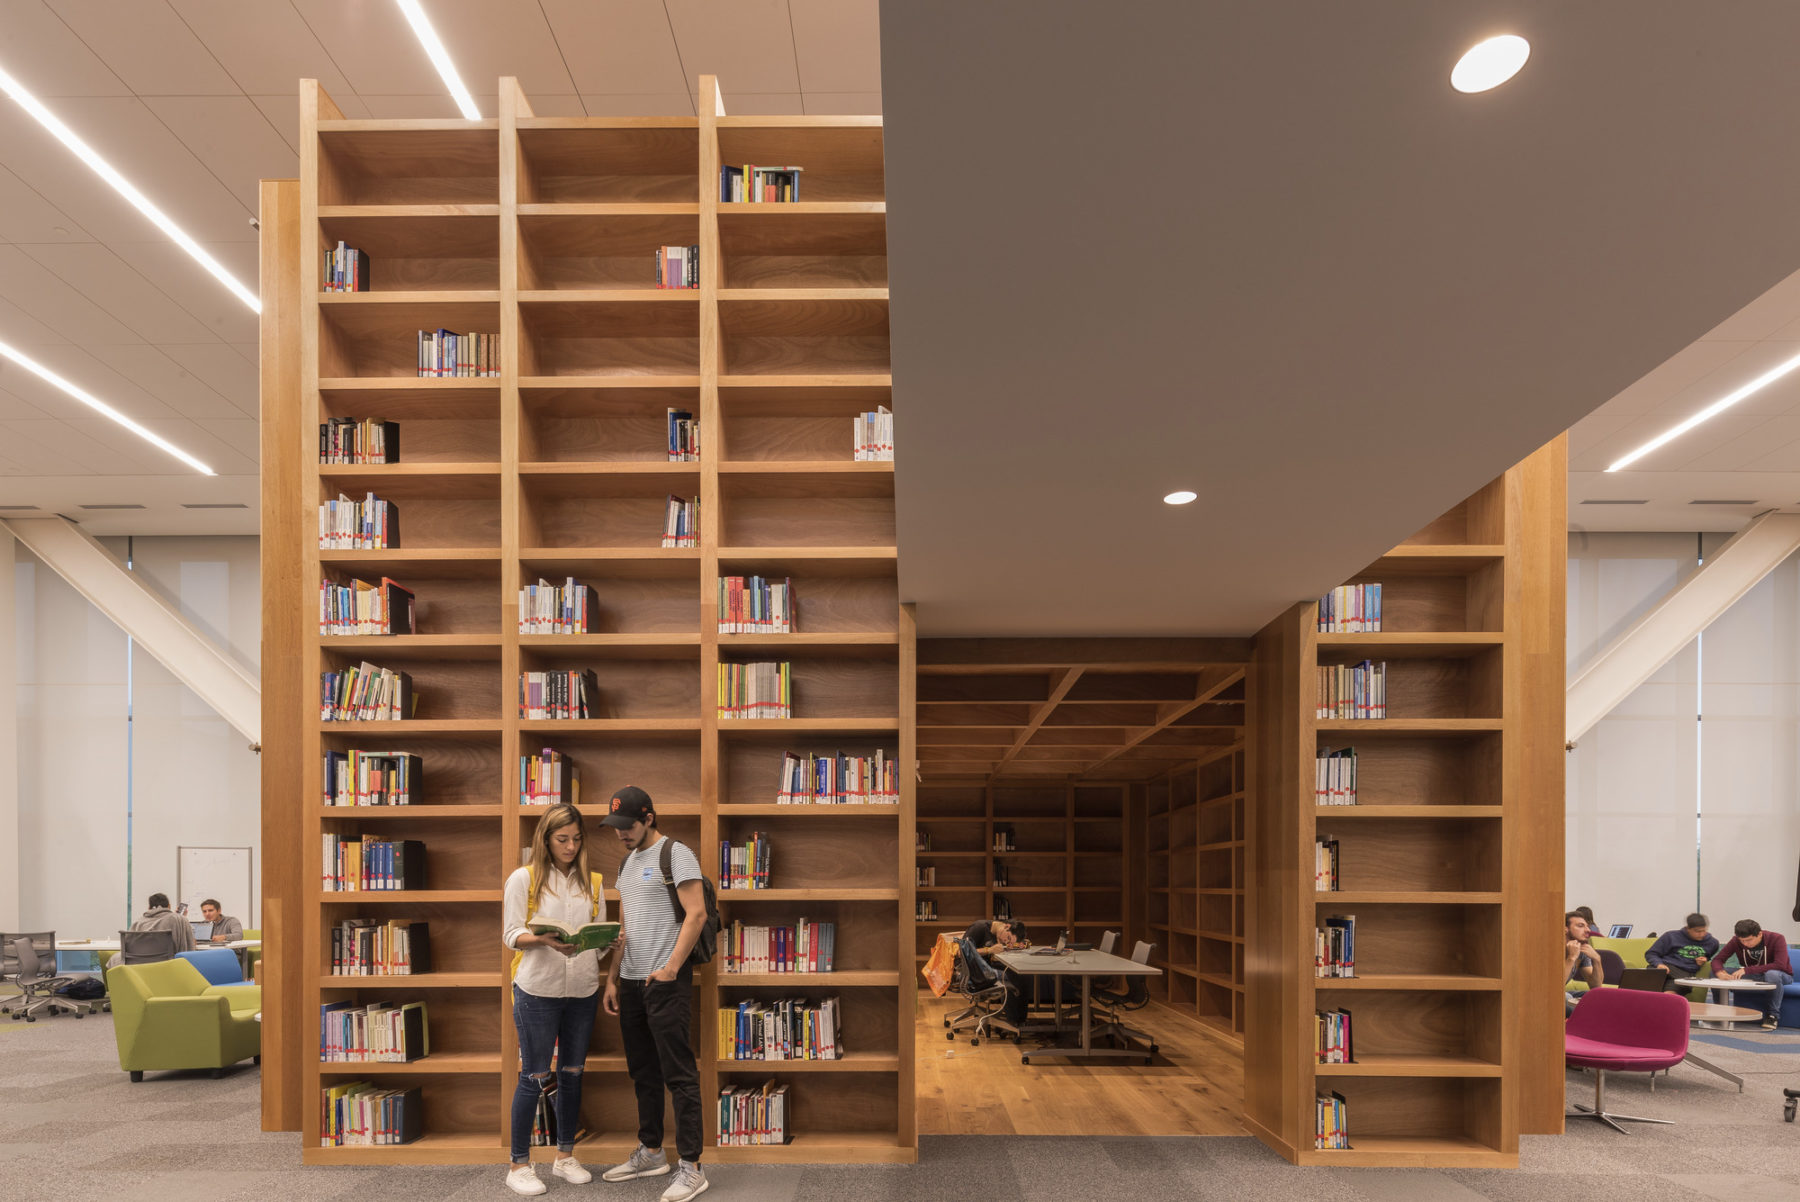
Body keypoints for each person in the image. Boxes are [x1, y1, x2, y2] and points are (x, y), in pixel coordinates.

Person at [599, 787, 709, 1202]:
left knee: (679, 1074)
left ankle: (692, 1167)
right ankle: (650, 1152)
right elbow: (624, 930)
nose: (620, 834)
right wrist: (611, 979)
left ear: (648, 818)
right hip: (630, 983)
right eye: (615, 828)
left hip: (665, 982)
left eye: (627, 826)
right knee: (642, 1072)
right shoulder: (626, 863)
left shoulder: (676, 854)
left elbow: (696, 913)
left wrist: (671, 969)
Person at [502, 803, 616, 1197]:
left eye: (576, 839)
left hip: (582, 989)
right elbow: (511, 934)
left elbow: (595, 947)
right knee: (534, 1075)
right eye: (562, 839)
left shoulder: (594, 882)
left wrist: (605, 941)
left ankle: (565, 1155)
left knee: (571, 1074)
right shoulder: (524, 879)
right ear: (546, 840)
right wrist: (543, 939)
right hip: (537, 990)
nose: (570, 846)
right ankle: (519, 1164)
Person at [1711, 919, 1793, 1031]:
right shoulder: (1736, 941)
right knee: (1714, 973)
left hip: (1781, 975)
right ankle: (1721, 1012)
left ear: (1759, 934)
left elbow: (1780, 965)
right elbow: (1717, 960)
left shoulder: (1777, 938)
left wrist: (1747, 970)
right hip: (1755, 974)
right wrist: (1720, 972)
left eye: (1749, 940)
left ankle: (1772, 1016)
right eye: (1742, 941)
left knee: (1772, 975)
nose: (1745, 944)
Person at [963, 917, 1031, 1023]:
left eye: (1009, 941)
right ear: (1006, 926)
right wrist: (989, 950)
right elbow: (960, 952)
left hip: (987, 967)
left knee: (1020, 974)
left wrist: (1015, 947)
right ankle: (1014, 1023)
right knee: (1010, 977)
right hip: (972, 970)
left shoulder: (999, 934)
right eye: (1007, 938)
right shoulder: (979, 928)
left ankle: (1021, 1020)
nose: (1005, 941)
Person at [1646, 913, 1719, 979]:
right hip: (1665, 967)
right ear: (1688, 929)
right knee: (1652, 976)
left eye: (1704, 930)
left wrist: (1704, 959)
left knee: (1672, 990)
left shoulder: (1712, 943)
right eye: (1697, 931)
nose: (1701, 934)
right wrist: (1659, 964)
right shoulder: (1670, 936)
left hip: (1685, 972)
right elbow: (1651, 953)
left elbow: (1708, 957)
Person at [130, 892, 195, 952]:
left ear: (149, 908)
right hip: (169, 962)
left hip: (142, 962)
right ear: (169, 906)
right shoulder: (179, 920)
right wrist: (181, 918)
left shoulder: (137, 923)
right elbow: (191, 944)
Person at [1564, 911, 1602, 992]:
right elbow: (1554, 986)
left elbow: (1596, 986)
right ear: (1565, 929)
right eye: (1580, 926)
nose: (1588, 930)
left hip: (1562, 993)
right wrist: (1571, 958)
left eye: (1587, 926)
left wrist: (1597, 960)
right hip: (1548, 996)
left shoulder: (1581, 951)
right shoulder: (1552, 950)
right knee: (1567, 997)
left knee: (1599, 997)